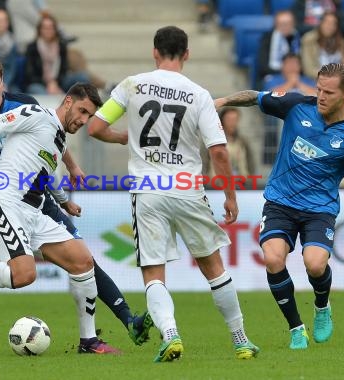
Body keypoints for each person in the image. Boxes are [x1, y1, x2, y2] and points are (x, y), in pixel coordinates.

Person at [0, 55, 152, 354]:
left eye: (89, 116)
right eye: (83, 112)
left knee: (83, 261)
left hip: (32, 208)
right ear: (67, 102)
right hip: (2, 202)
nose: (84, 120)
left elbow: (42, 169)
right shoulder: (31, 114)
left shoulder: (56, 134)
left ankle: (89, 340)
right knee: (23, 275)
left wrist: (63, 200)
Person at [88, 26, 260, 362]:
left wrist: (125, 137)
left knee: (153, 270)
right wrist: (230, 196)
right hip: (187, 188)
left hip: (148, 190)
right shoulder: (198, 94)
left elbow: (94, 127)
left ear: (154, 52)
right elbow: (220, 152)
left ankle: (170, 335)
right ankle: (240, 340)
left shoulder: (132, 84)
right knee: (213, 266)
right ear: (187, 54)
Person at [214, 62, 344, 349]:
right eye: (319, 89)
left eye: (329, 92)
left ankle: (322, 307)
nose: (321, 96)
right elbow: (255, 96)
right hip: (280, 202)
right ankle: (296, 328)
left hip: (320, 209)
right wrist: (223, 101)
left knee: (315, 265)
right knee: (273, 259)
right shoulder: (296, 105)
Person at [300, 11, 344, 80]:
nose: (330, 26)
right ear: (321, 23)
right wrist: (328, 77)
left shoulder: (342, 42)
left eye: (333, 24)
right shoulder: (309, 40)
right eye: (327, 22)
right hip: (316, 80)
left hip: (337, 81)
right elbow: (308, 69)